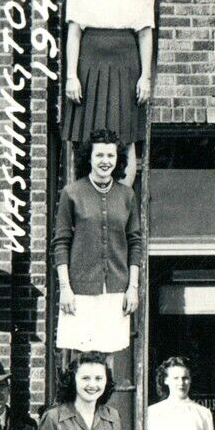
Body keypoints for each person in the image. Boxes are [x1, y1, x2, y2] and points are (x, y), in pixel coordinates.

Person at [63, 0, 155, 184]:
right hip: (89, 66)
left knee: (124, 138)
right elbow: (74, 33)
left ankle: (121, 210)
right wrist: (71, 75)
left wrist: (145, 76)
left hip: (125, 66)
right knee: (85, 138)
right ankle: (87, 208)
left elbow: (145, 33)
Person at [53, 133, 141, 356]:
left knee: (107, 360)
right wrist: (65, 289)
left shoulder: (126, 195)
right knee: (81, 360)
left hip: (116, 290)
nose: (105, 161)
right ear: (89, 158)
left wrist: (132, 288)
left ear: (117, 159)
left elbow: (135, 244)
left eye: (110, 155)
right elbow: (61, 243)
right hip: (79, 290)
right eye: (99, 154)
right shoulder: (71, 193)